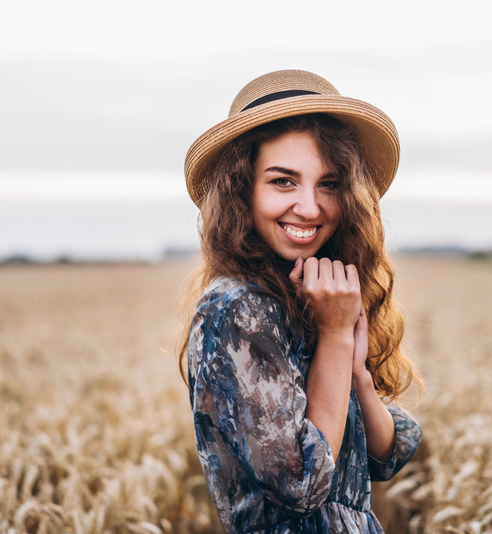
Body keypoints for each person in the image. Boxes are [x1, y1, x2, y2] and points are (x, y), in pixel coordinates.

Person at [179, 69, 423, 533]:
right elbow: (304, 483)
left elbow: (389, 454)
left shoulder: (318, 293)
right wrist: (333, 335)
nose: (310, 208)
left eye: (329, 184)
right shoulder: (236, 309)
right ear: (241, 189)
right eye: (283, 181)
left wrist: (354, 373)